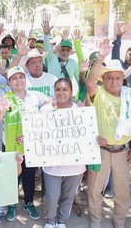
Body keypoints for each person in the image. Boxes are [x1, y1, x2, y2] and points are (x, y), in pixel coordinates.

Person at [85, 39, 131, 228]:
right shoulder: (99, 93)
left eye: (117, 77)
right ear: (104, 79)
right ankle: (95, 220)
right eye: (109, 77)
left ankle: (119, 222)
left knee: (122, 191)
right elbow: (89, 81)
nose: (113, 81)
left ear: (123, 79)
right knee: (95, 189)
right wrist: (101, 56)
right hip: (100, 150)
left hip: (122, 151)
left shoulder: (130, 96)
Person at [0, 66, 50, 221]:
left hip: (30, 145)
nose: (19, 81)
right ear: (9, 82)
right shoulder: (6, 98)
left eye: (21, 77)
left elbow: (52, 103)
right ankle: (12, 204)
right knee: (13, 175)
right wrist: (1, 111)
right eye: (14, 78)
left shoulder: (35, 96)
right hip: (11, 144)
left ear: (25, 79)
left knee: (29, 176)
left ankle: (29, 202)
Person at [40, 78, 86, 228]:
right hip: (52, 164)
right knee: (52, 196)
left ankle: (61, 221)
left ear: (71, 92)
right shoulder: (45, 110)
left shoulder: (79, 111)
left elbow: (87, 134)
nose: (61, 93)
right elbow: (38, 132)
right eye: (58, 89)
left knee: (68, 195)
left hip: (75, 165)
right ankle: (50, 220)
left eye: (65, 89)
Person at [41, 14, 78, 80]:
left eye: (67, 50)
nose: (65, 52)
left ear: (71, 52)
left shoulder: (73, 63)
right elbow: (47, 47)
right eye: (63, 50)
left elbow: (79, 81)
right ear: (58, 50)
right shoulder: (51, 59)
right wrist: (46, 34)